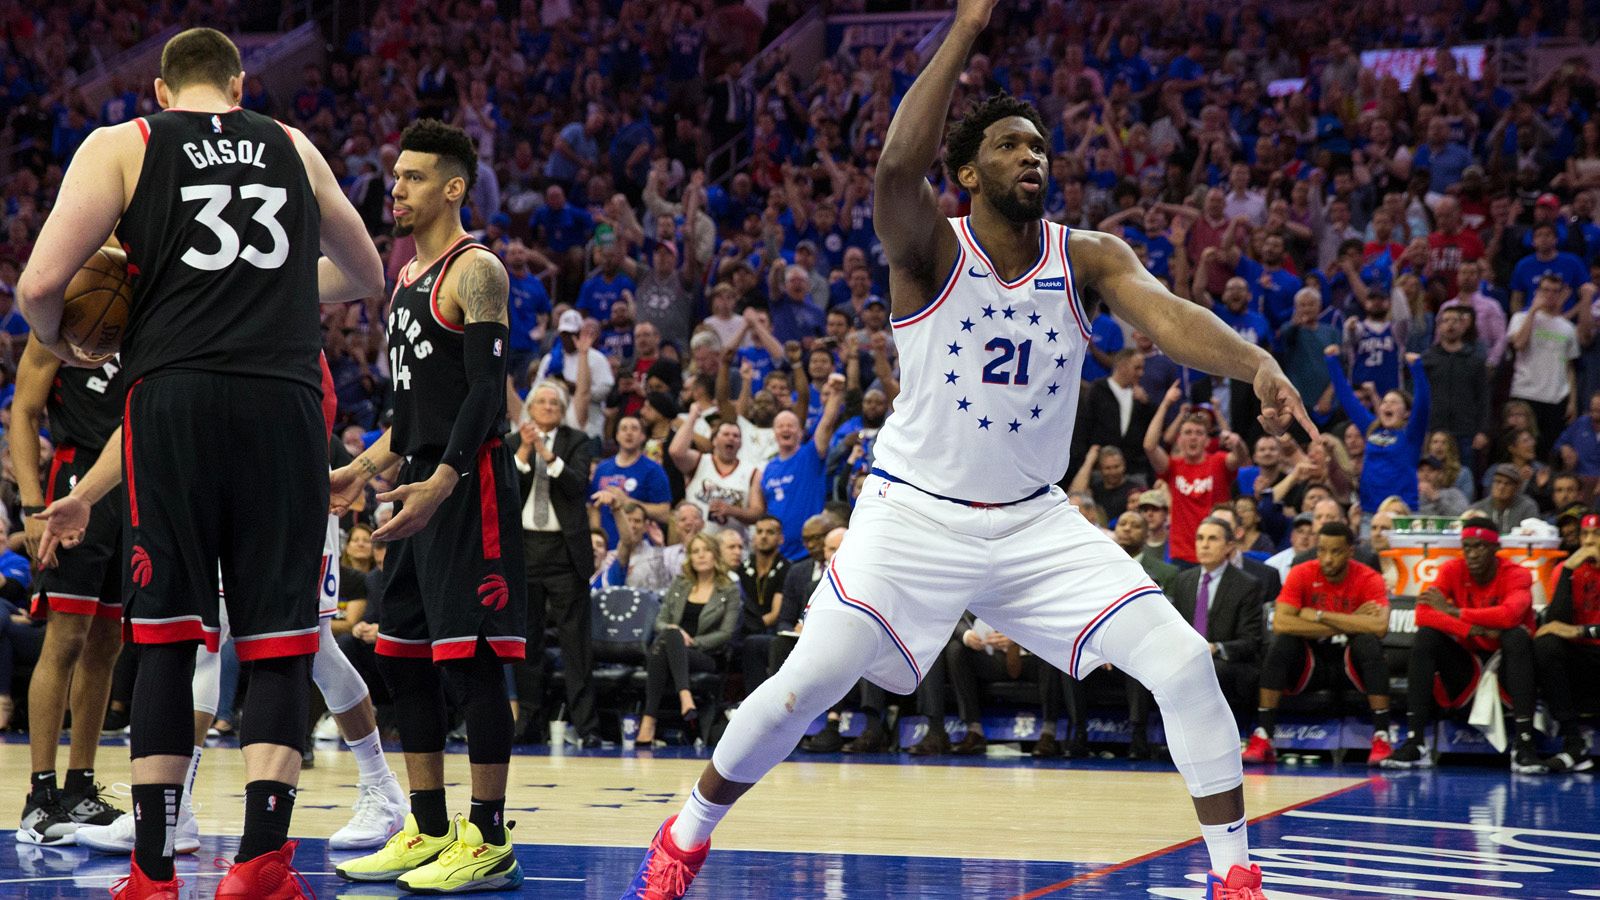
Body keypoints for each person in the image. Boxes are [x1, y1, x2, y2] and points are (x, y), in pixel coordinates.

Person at [619, 5, 1317, 896]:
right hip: (911, 515)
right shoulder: (929, 248)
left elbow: (1171, 317)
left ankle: (1234, 876)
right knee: (808, 684)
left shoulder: (1090, 256)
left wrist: (1254, 361)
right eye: (1009, 147)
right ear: (966, 171)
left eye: (1040, 148)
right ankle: (686, 832)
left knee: (1183, 662)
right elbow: (893, 165)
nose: (1032, 158)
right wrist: (964, 30)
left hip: (1034, 526)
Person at [24, 28, 384, 899]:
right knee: (279, 639)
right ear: (239, 83)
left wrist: (59, 343)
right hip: (283, 404)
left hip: (174, 403)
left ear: (157, 88)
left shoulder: (125, 144)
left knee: (167, 637)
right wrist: (260, 290)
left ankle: (152, 872)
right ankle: (260, 863)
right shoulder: (293, 146)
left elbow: (38, 285)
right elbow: (367, 270)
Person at [328, 119, 525, 893]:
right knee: (399, 654)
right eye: (395, 175)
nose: (396, 188)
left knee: (473, 662)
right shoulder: (403, 277)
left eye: (411, 177)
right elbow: (413, 408)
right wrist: (361, 467)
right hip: (411, 480)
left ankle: (490, 837)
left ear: (452, 187)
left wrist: (443, 478)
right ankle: (431, 826)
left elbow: (483, 395)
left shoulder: (477, 271)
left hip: (467, 484)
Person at [11, 341, 125, 845]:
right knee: (66, 639)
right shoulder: (67, 307)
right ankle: (39, 796)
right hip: (75, 477)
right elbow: (24, 408)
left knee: (107, 643)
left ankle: (80, 788)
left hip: (134, 487)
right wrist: (33, 502)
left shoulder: (151, 305)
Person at [1383, 518, 1543, 772]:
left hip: (1507, 666)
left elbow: (1509, 615)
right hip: (1466, 665)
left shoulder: (1517, 574)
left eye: (1479, 547)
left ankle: (1524, 744)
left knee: (1516, 636)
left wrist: (1453, 612)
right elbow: (1423, 613)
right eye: (1467, 547)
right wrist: (1471, 628)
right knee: (1426, 636)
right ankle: (1416, 742)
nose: (1472, 554)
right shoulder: (1451, 570)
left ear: (1495, 548)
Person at [1244, 522, 1394, 767]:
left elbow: (1379, 627)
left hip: (1350, 667)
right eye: (1322, 550)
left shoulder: (1369, 577)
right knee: (1282, 643)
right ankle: (1264, 735)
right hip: (1311, 666)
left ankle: (1381, 736)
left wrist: (1317, 614)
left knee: (1368, 642)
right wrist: (1355, 620)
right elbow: (1281, 622)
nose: (1327, 558)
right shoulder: (1301, 572)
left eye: (1335, 552)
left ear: (1350, 552)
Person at [508, 379, 600, 747]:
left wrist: (547, 454)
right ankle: (529, 723)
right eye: (541, 402)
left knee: (575, 645)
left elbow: (577, 485)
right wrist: (526, 453)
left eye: (554, 403)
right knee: (526, 645)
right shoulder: (512, 443)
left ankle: (587, 727)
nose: (547, 407)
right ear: (529, 408)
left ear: (562, 412)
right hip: (524, 549)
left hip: (565, 552)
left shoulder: (578, 442)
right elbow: (506, 490)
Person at [633, 534, 740, 747]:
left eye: (706, 550)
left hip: (705, 655)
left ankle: (648, 721)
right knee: (671, 635)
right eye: (695, 551)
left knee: (665, 645)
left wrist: (693, 642)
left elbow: (727, 632)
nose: (700, 556)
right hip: (672, 648)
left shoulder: (728, 590)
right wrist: (675, 633)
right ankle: (685, 698)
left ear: (715, 555)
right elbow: (660, 621)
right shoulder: (681, 584)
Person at [1160, 518, 1264, 723]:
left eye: (1212, 539)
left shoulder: (1247, 585)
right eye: (1200, 538)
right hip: (1187, 657)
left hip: (1228, 661)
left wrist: (1215, 648)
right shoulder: (1183, 580)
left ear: (1229, 546)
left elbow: (1251, 641)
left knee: (1209, 669)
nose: (1204, 544)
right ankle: (1150, 738)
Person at [1324, 347, 1429, 513]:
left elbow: (1423, 404)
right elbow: (1348, 398)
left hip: (1402, 511)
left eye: (1394, 402)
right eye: (1385, 402)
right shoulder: (1371, 429)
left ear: (1407, 412)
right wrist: (1332, 362)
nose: (1387, 405)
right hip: (1370, 511)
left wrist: (1417, 367)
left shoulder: (1411, 434)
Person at [1145, 395, 1246, 566]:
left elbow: (1240, 458)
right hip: (1182, 553)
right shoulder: (1173, 466)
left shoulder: (1219, 461)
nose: (1193, 437)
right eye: (1188, 433)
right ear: (1180, 440)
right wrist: (1166, 403)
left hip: (1218, 551)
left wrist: (1237, 443)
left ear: (1207, 441)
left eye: (1199, 433)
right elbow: (1149, 446)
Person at [1534, 514, 1600, 773]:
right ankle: (1574, 743)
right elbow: (1554, 623)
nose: (1589, 542)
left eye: (1596, 535)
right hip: (1582, 657)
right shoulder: (1567, 568)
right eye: (1585, 535)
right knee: (1546, 644)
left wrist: (1579, 630)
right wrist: (1569, 571)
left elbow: (1569, 629)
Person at [1508, 274, 1580, 458]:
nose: (1550, 295)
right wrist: (1533, 311)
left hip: (1555, 397)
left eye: (1555, 291)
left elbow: (1569, 367)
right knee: (1520, 449)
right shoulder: (1520, 317)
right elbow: (1519, 344)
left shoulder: (1567, 328)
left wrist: (1572, 401)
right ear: (1537, 292)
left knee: (1546, 452)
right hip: (1525, 394)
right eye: (1546, 290)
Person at [670, 404, 762, 538]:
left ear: (741, 444)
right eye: (726, 434)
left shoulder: (752, 472)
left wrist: (732, 511)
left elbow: (757, 513)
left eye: (736, 436)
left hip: (733, 547)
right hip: (699, 544)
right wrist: (692, 417)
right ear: (714, 440)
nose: (731, 438)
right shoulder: (700, 461)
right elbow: (676, 452)